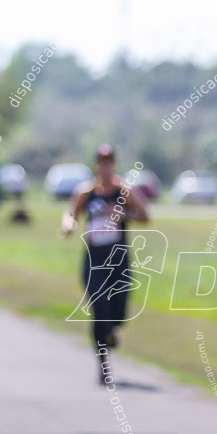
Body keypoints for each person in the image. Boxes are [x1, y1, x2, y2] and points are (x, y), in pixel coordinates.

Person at [61, 144, 149, 383]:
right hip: (94, 261)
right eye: (101, 161)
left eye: (109, 161)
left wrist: (123, 215)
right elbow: (71, 213)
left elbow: (145, 215)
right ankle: (103, 366)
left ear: (114, 164)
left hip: (118, 261)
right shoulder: (85, 192)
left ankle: (112, 331)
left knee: (118, 314)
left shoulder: (124, 191)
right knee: (100, 309)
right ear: (96, 164)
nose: (105, 165)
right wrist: (68, 225)